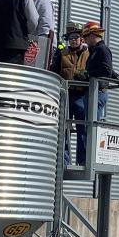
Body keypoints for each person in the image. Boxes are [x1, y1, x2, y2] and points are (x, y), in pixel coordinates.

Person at [71, 20, 113, 165]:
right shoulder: (96, 51)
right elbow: (108, 70)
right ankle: (86, 159)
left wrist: (87, 74)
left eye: (86, 37)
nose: (85, 40)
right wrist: (118, 77)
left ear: (92, 35)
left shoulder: (102, 50)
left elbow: (105, 70)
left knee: (92, 127)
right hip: (93, 92)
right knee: (89, 126)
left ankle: (91, 159)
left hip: (97, 93)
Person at [52, 24, 90, 164]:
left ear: (81, 39)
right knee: (64, 128)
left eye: (75, 37)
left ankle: (82, 160)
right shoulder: (63, 54)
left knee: (83, 128)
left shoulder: (89, 53)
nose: (73, 40)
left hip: (81, 96)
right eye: (70, 38)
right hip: (66, 95)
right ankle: (65, 161)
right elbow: (55, 71)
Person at [23, 0, 55, 69]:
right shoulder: (30, 2)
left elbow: (46, 27)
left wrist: (40, 49)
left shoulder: (43, 2)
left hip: (41, 45)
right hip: (32, 44)